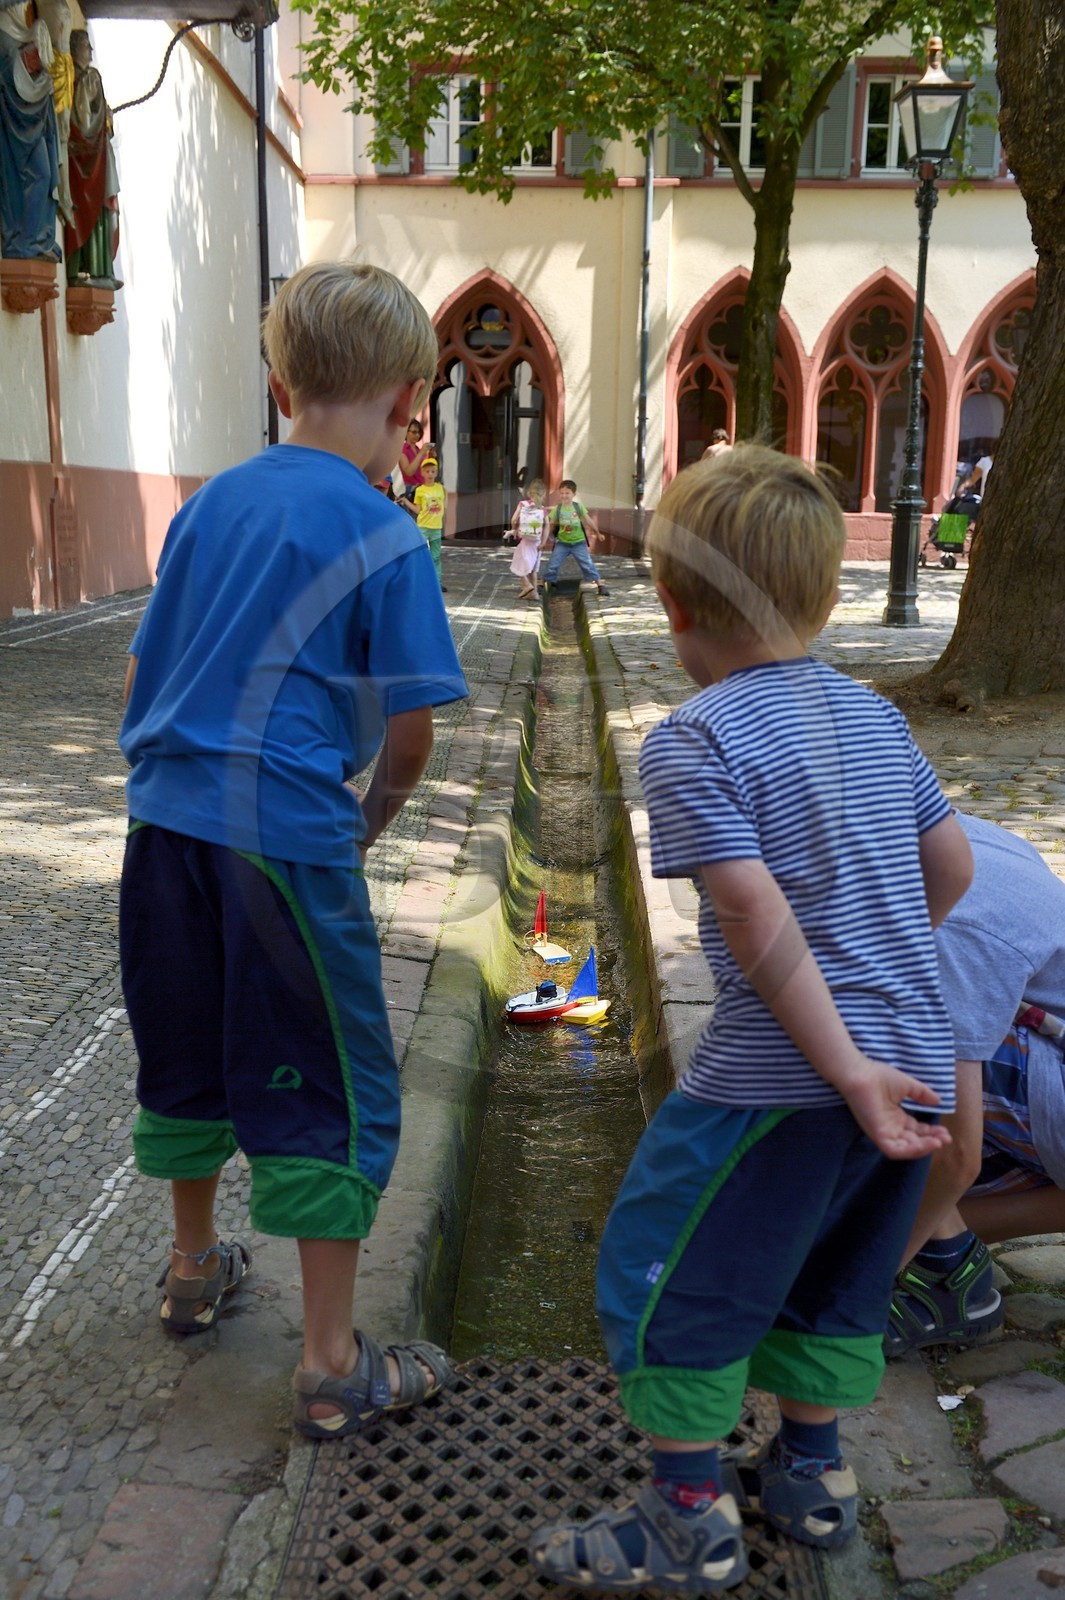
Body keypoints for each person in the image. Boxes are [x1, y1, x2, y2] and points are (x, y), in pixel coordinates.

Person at [529, 444, 972, 1593]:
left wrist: (839, 1056)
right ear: (826, 597)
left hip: (780, 1079)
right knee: (835, 1271)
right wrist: (879, 991)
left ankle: (684, 1515)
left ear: (673, 605)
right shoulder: (876, 717)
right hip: (916, 1058)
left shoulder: (698, 737)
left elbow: (748, 909)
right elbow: (952, 866)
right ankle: (813, 1478)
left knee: (667, 1269)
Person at [118, 261, 468, 1441]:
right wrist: (362, 828)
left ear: (280, 385)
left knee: (190, 1042)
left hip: (163, 833)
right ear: (409, 406)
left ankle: (191, 1262)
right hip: (287, 847)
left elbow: (137, 670)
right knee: (332, 1080)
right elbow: (409, 737)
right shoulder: (384, 531)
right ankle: (329, 1361)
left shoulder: (211, 503)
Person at [886, 811, 1065, 1356]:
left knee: (836, 1043)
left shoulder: (937, 920)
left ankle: (939, 1285)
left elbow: (954, 1156)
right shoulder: (949, 827)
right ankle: (943, 1254)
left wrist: (842, 1289)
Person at [0, 0, 60, 260]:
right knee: (40, 176)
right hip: (16, 129)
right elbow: (8, 78)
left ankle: (37, 238)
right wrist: (26, 65)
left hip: (34, 125)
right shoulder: (4, 34)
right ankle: (25, 241)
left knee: (44, 177)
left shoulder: (23, 32)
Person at [64, 27, 119, 287]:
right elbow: (84, 120)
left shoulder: (82, 77)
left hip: (93, 156)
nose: (92, 50)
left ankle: (100, 269)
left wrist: (106, 118)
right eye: (87, 45)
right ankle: (93, 270)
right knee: (89, 211)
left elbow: (91, 116)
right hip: (85, 159)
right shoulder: (81, 77)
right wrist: (102, 119)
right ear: (76, 48)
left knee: (101, 214)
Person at [542, 479, 609, 596]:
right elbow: (551, 525)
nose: (564, 495)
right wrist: (544, 539)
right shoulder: (557, 509)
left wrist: (598, 533)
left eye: (567, 493)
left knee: (587, 563)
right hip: (562, 543)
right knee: (553, 563)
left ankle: (600, 585)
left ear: (574, 494)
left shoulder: (578, 507)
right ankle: (542, 584)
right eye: (562, 493)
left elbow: (589, 521)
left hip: (578, 542)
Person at [507, 477, 549, 599]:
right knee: (534, 569)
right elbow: (546, 527)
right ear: (544, 494)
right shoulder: (543, 510)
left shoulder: (522, 505)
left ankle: (526, 585)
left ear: (529, 493)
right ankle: (534, 592)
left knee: (519, 562)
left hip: (525, 540)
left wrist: (514, 529)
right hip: (537, 542)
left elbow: (514, 519)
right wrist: (544, 542)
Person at [413, 455, 447, 589]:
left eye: (433, 471)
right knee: (420, 554)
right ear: (422, 473)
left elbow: (444, 503)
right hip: (423, 525)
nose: (430, 474)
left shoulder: (440, 488)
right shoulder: (420, 490)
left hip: (436, 526)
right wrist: (405, 502)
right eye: (427, 471)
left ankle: (437, 583)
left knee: (436, 556)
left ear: (436, 472)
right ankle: (419, 581)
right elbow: (418, 509)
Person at [398, 417, 432, 513]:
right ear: (406, 432)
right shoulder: (403, 449)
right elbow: (408, 471)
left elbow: (425, 471)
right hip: (410, 490)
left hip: (422, 488)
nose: (417, 435)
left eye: (419, 432)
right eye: (414, 432)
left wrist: (431, 457)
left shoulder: (418, 449)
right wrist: (421, 454)